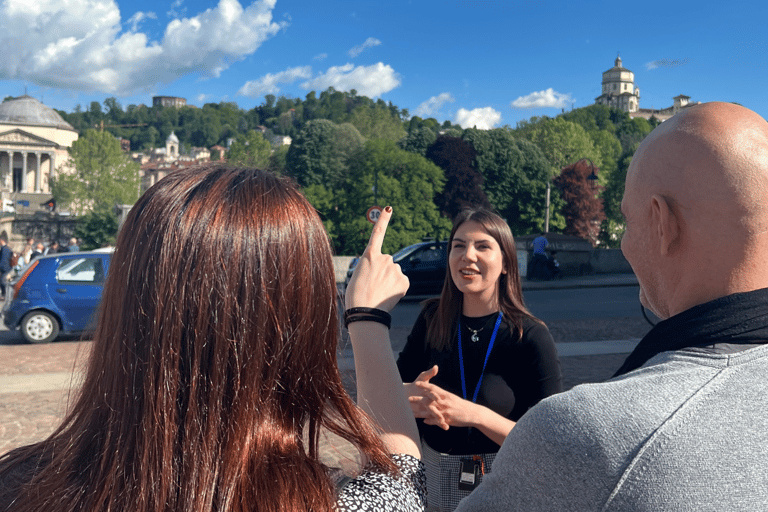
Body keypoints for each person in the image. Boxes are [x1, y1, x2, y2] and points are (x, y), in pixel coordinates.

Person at [0, 164, 425, 512]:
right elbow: (403, 477)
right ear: (302, 328)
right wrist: (367, 317)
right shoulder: (332, 504)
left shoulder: (17, 486)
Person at [455, 102, 768, 511]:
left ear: (661, 222)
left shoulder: (588, 434)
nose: (623, 242)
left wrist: (368, 322)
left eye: (627, 221)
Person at [397, 208, 561, 511]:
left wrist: (475, 415)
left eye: (482, 246)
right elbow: (392, 391)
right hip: (433, 483)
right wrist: (406, 394)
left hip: (505, 485)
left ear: (506, 264)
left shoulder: (531, 337)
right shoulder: (432, 319)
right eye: (458, 245)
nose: (467, 255)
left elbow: (548, 443)